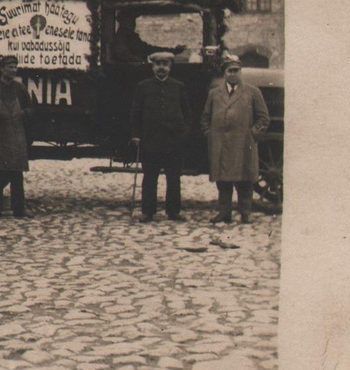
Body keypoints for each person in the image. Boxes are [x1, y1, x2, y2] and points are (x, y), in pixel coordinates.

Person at [201, 57, 270, 224]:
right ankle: (224, 213)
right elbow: (205, 117)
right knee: (223, 181)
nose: (233, 74)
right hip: (220, 144)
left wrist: (252, 134)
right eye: (229, 71)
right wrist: (209, 133)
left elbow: (263, 118)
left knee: (245, 180)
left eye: (236, 71)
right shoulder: (215, 93)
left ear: (241, 72)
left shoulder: (253, 92)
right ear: (224, 74)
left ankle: (245, 212)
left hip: (243, 144)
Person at [130, 51, 192, 222]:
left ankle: (174, 211)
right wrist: (136, 135)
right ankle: (147, 211)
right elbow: (135, 114)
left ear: (170, 67)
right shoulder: (143, 87)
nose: (161, 68)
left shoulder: (178, 86)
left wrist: (183, 133)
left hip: (173, 141)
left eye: (165, 65)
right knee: (150, 177)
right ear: (153, 67)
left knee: (173, 178)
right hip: (151, 141)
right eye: (158, 65)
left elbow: (187, 113)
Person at [0, 55, 33, 218]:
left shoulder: (20, 88)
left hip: (17, 135)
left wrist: (22, 113)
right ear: (2, 69)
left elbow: (31, 108)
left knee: (17, 174)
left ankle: (19, 208)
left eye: (15, 67)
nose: (14, 70)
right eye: (10, 67)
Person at [112, 12, 185, 63]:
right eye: (130, 20)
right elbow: (123, 55)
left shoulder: (132, 37)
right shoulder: (120, 38)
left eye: (133, 20)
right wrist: (142, 62)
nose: (133, 23)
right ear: (123, 21)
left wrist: (172, 51)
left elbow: (148, 49)